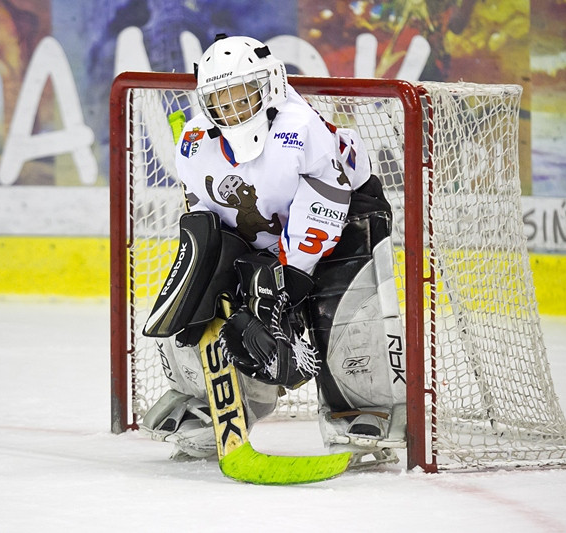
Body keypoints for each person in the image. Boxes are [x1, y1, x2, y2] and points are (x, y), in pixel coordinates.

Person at [140, 34, 406, 463]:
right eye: (221, 99)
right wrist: (212, 278)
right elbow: (205, 219)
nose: (233, 108)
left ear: (270, 85)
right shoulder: (194, 142)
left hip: (346, 214)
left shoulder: (299, 128)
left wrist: (288, 280)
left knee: (342, 307)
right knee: (193, 300)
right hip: (263, 231)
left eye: (243, 94)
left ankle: (363, 407)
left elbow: (322, 209)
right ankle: (211, 402)